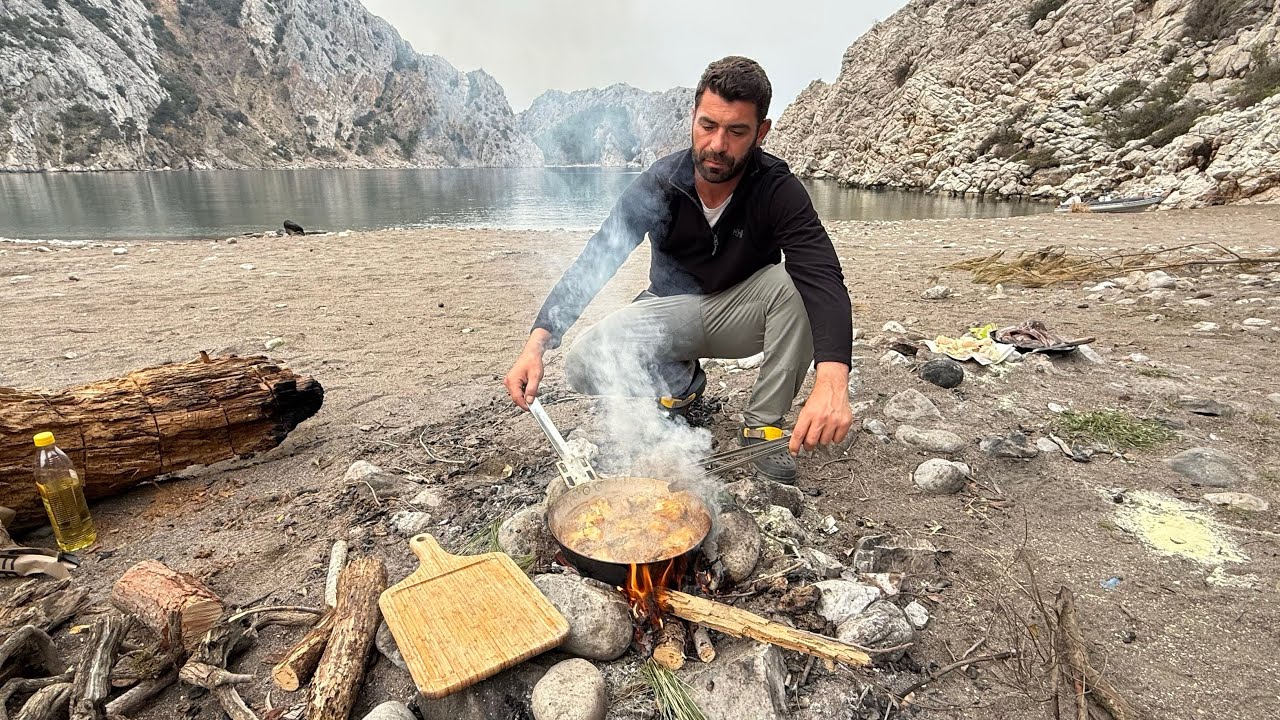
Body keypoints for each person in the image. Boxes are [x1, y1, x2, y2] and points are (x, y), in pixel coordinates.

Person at [503, 56, 853, 482]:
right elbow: (597, 258)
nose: (717, 145)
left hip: (742, 313)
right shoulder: (660, 182)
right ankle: (681, 386)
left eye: (737, 131)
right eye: (708, 125)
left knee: (796, 283)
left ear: (761, 132)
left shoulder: (776, 188)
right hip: (670, 310)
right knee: (582, 365)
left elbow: (821, 272)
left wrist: (833, 381)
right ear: (693, 116)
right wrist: (536, 343)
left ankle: (761, 425)